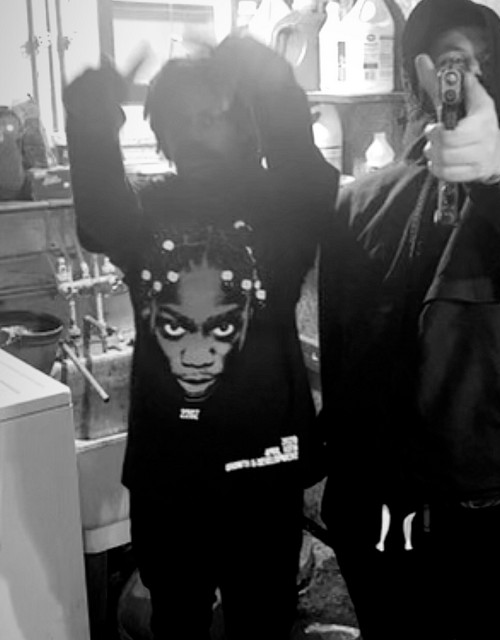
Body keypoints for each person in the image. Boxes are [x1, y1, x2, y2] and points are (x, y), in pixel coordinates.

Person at [318, 1, 500, 639]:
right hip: (392, 505)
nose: (467, 77)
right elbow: (342, 352)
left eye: (485, 62)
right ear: (419, 77)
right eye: (451, 61)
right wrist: (348, 488)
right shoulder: (361, 203)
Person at [63, 36, 338, 640]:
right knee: (177, 623)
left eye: (210, 116)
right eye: (177, 122)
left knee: (262, 623)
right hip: (168, 477)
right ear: (161, 136)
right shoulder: (145, 210)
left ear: (244, 125)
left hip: (263, 473)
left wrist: (267, 77)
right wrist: (89, 123)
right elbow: (99, 219)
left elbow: (310, 174)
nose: (193, 134)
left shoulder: (283, 207)